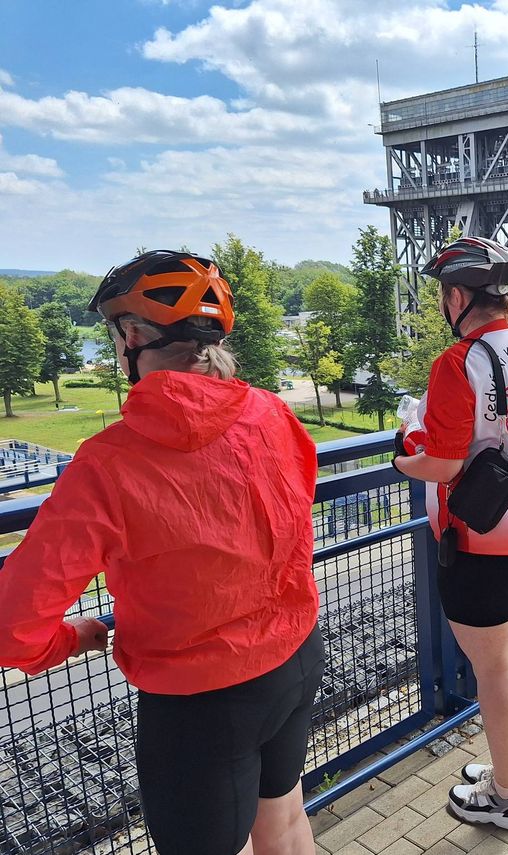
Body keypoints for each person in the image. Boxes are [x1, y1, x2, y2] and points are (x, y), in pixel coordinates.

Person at [0, 251, 323, 855]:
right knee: (283, 821)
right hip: (295, 657)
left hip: (200, 702)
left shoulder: (107, 464)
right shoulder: (271, 413)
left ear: (132, 337)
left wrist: (70, 640)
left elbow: (13, 622)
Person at [392, 236, 508, 831]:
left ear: (457, 296)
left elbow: (440, 466)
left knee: (494, 668)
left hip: (482, 534)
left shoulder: (458, 362)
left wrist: (403, 455)